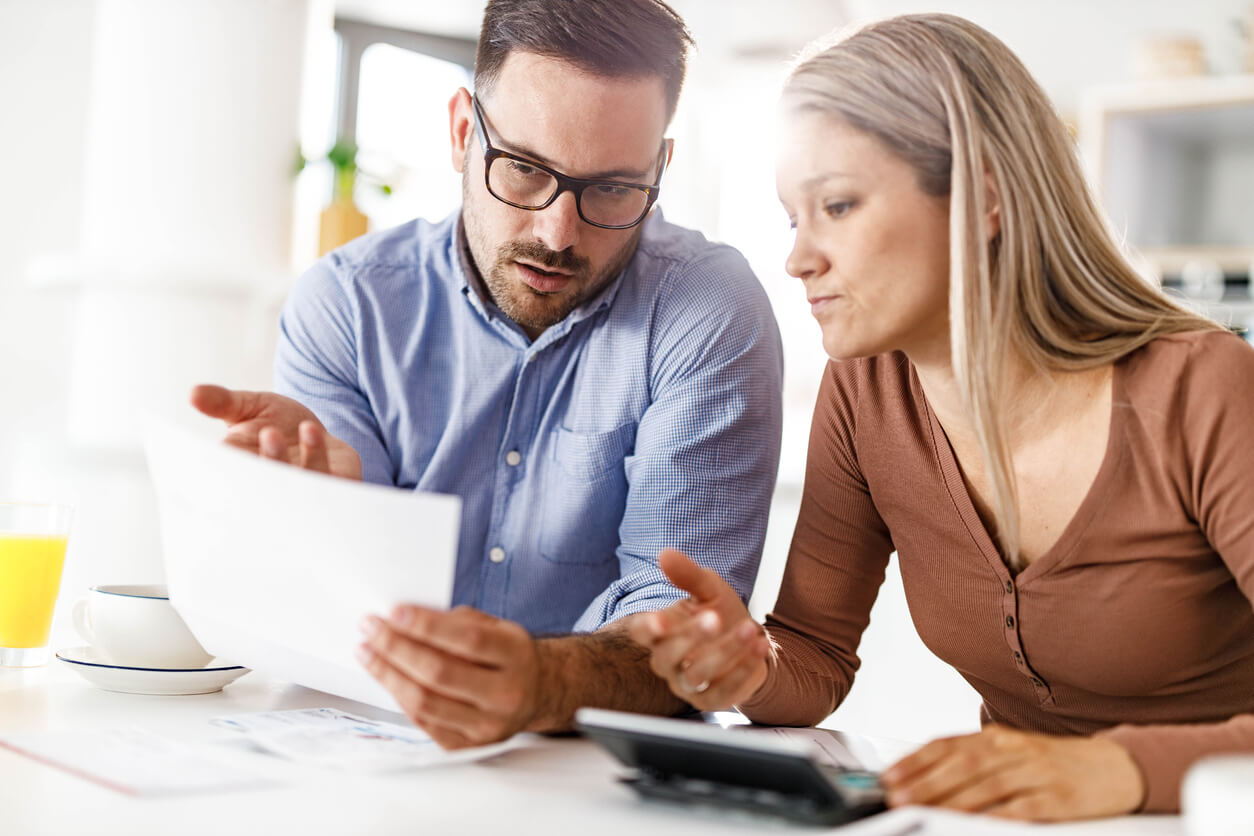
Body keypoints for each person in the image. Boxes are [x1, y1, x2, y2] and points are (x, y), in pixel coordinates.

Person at [631, 12, 1254, 821]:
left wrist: (1124, 771)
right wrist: (745, 667)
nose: (798, 257)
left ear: (984, 198)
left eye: (840, 206)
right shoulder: (863, 392)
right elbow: (815, 658)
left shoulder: (1204, 391)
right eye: (794, 218)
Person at [192, 0, 782, 750]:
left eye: (612, 189)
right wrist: (318, 517)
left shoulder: (706, 310)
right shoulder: (348, 304)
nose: (556, 233)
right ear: (463, 133)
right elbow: (324, 620)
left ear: (659, 170)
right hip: (357, 749)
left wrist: (542, 684)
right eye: (527, 170)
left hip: (592, 769)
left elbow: (685, 629)